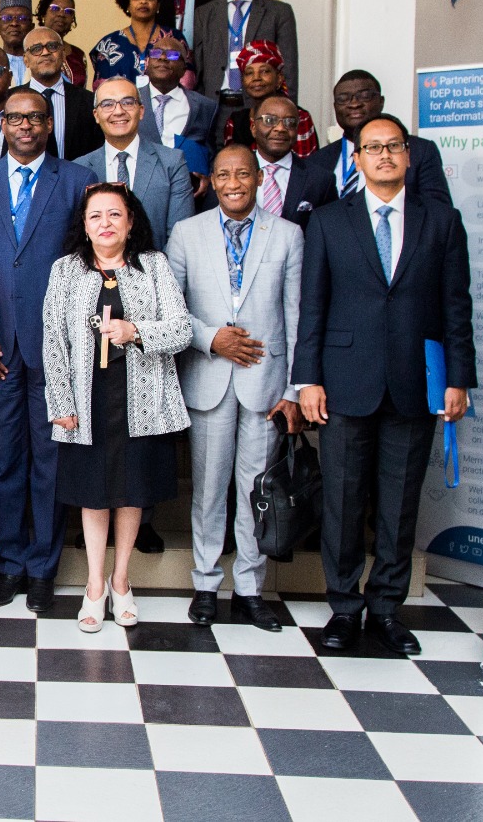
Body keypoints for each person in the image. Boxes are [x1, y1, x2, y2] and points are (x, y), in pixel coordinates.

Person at [295, 113, 474, 655]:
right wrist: (307, 379)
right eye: (372, 148)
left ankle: (388, 609)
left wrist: (459, 378)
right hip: (345, 380)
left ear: (409, 155)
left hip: (414, 382)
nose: (384, 156)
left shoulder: (440, 222)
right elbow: (313, 307)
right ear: (358, 159)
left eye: (393, 146)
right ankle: (345, 608)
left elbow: (455, 306)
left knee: (399, 504)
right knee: (343, 502)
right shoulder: (328, 221)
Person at [0, 89, 97, 612]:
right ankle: (8, 564)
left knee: (51, 462)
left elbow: (87, 264)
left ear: (49, 122)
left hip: (56, 347)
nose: (26, 126)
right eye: (15, 117)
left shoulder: (77, 180)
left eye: (36, 117)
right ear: (2, 123)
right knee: (2, 459)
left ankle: (43, 568)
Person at [166, 145, 303, 630]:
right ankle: (205, 583)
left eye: (242, 173)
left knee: (254, 489)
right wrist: (211, 340)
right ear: (214, 181)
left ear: (257, 177)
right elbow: (171, 307)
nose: (232, 182)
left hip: (265, 385)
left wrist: (293, 389)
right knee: (207, 489)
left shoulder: (287, 235)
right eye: (222, 174)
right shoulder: (186, 233)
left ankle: (249, 587)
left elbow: (296, 315)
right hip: (209, 377)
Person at [43, 183, 191, 632]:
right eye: (95, 216)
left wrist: (136, 332)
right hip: (87, 401)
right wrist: (60, 400)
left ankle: (122, 581)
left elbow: (182, 330)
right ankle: (94, 586)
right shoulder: (65, 271)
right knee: (93, 493)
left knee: (130, 491)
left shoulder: (154, 266)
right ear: (84, 226)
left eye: (114, 215)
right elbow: (53, 339)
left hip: (141, 399)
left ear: (130, 222)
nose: (105, 224)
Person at [75, 78, 192, 251]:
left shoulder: (172, 162)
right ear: (96, 115)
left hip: (157, 273)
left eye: (128, 102)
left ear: (141, 111)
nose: (118, 111)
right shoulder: (79, 169)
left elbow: (180, 238)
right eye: (108, 104)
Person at [305, 70, 452, 206]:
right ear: (335, 107)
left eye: (364, 96)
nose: (354, 104)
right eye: (343, 99)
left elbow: (438, 212)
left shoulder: (420, 150)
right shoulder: (317, 161)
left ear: (381, 102)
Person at [194, 0, 300, 101]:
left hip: (261, 105)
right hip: (215, 107)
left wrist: (287, 108)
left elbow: (288, 68)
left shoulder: (279, 12)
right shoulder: (204, 13)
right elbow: (198, 67)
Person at [216, 42, 318, 158]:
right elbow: (231, 165)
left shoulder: (299, 117)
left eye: (264, 71)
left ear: (279, 78)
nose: (256, 78)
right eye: (249, 73)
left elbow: (306, 169)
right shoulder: (235, 122)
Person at [248, 94, 335, 228]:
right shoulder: (231, 173)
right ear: (253, 128)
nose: (280, 128)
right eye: (270, 120)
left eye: (290, 122)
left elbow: (329, 233)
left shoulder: (320, 180)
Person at [22, 26, 100, 161]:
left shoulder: (89, 101)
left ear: (63, 54)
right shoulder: (10, 100)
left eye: (52, 46)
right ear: (26, 60)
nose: (45, 52)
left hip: (77, 179)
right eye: (36, 49)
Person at [138, 32, 220, 155]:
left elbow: (212, 153)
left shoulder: (205, 107)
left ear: (184, 68)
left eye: (172, 55)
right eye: (156, 53)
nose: (163, 58)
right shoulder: (129, 100)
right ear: (148, 63)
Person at [92, 0, 178, 87]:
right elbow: (101, 87)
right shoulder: (109, 43)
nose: (143, 1)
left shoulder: (174, 38)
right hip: (120, 104)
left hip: (166, 103)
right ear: (127, 5)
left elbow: (186, 80)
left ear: (158, 5)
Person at [37, 0, 88, 88]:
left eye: (68, 11)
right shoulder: (32, 49)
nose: (61, 14)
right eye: (55, 8)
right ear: (43, 13)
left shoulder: (78, 54)